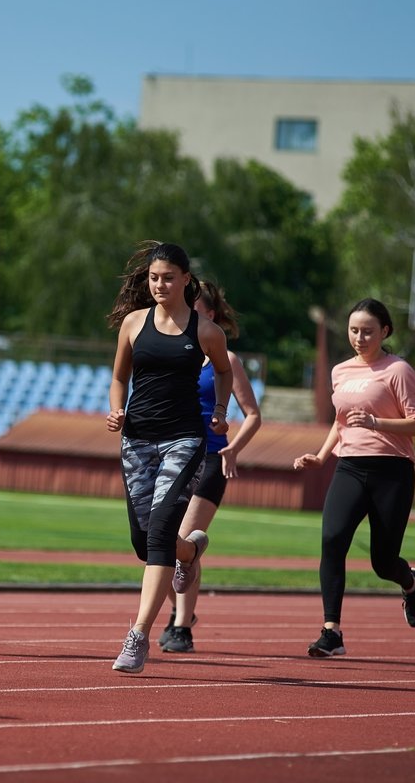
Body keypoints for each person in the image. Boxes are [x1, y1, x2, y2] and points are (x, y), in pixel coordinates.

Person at [105, 241, 231, 673]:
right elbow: (120, 376)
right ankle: (190, 553)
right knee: (145, 542)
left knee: (158, 532)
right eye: (154, 277)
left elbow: (226, 371)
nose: (159, 284)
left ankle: (138, 636)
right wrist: (116, 408)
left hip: (183, 440)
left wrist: (218, 411)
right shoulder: (133, 323)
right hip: (137, 440)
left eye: (168, 278)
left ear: (185, 280)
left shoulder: (205, 331)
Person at [293, 298, 415, 658]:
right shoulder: (341, 371)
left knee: (383, 562)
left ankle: (410, 582)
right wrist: (321, 456)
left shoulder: (398, 370)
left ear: (385, 332)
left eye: (367, 331)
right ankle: (331, 632)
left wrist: (377, 423)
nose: (359, 337)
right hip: (350, 466)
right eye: (354, 330)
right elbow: (341, 423)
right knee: (332, 539)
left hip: (392, 471)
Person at [159, 280, 263, 654]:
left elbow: (252, 414)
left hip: (210, 458)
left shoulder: (227, 360)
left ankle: (181, 625)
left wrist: (233, 448)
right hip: (172, 455)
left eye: (195, 306)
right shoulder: (170, 351)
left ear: (212, 315)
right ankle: (181, 612)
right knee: (162, 542)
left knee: (184, 540)